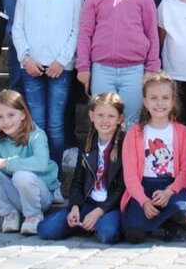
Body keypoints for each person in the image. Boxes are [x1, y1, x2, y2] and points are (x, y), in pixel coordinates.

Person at [12, 0, 85, 167]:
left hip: (60, 69)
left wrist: (62, 61)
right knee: (37, 123)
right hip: (31, 66)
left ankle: (52, 174)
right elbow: (18, 28)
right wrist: (25, 57)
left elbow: (77, 29)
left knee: (55, 124)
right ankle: (38, 169)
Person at [76, 0, 161, 131]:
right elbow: (85, 34)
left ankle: (127, 161)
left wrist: (152, 67)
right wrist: (83, 66)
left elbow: (152, 35)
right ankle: (105, 160)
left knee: (130, 122)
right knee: (104, 122)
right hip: (102, 69)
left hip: (134, 70)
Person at [37, 92, 126, 244]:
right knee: (46, 230)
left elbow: (122, 188)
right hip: (88, 203)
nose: (105, 121)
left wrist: (99, 212)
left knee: (106, 234)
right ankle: (84, 222)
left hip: (110, 206)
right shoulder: (87, 143)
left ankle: (98, 223)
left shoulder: (125, 144)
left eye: (111, 116)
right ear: (92, 116)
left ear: (120, 119)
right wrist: (74, 207)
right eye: (100, 115)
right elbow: (77, 181)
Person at [0, 89, 62, 236]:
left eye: (11, 115)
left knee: (22, 175)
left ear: (23, 114)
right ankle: (9, 213)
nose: (6, 122)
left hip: (40, 195)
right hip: (15, 193)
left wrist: (6, 163)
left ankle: (33, 216)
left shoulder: (36, 135)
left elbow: (41, 163)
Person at [120, 74, 186, 242]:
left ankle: (169, 224)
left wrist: (169, 192)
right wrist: (144, 201)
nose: (159, 103)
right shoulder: (135, 133)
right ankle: (154, 223)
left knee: (180, 210)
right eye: (153, 98)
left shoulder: (182, 132)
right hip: (144, 188)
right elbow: (130, 175)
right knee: (133, 235)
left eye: (165, 98)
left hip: (172, 187)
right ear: (145, 102)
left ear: (173, 101)